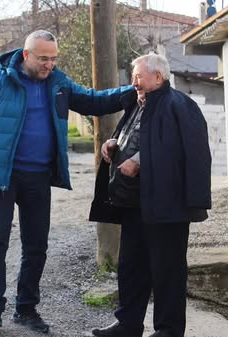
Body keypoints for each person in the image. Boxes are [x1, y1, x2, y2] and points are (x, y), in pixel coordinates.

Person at [0, 30, 133, 332]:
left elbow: (92, 101)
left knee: (36, 245)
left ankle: (26, 309)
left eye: (53, 59)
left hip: (38, 176)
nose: (49, 64)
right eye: (43, 58)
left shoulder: (58, 83)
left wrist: (132, 90)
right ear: (26, 55)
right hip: (1, 176)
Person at [89, 54, 211, 337]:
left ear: (158, 77)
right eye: (134, 77)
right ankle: (128, 324)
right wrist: (113, 145)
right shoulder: (137, 104)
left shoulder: (179, 105)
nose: (134, 83)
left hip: (168, 206)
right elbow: (133, 137)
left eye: (139, 77)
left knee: (167, 271)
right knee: (131, 267)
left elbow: (182, 151)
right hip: (135, 204)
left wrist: (141, 161)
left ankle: (168, 330)